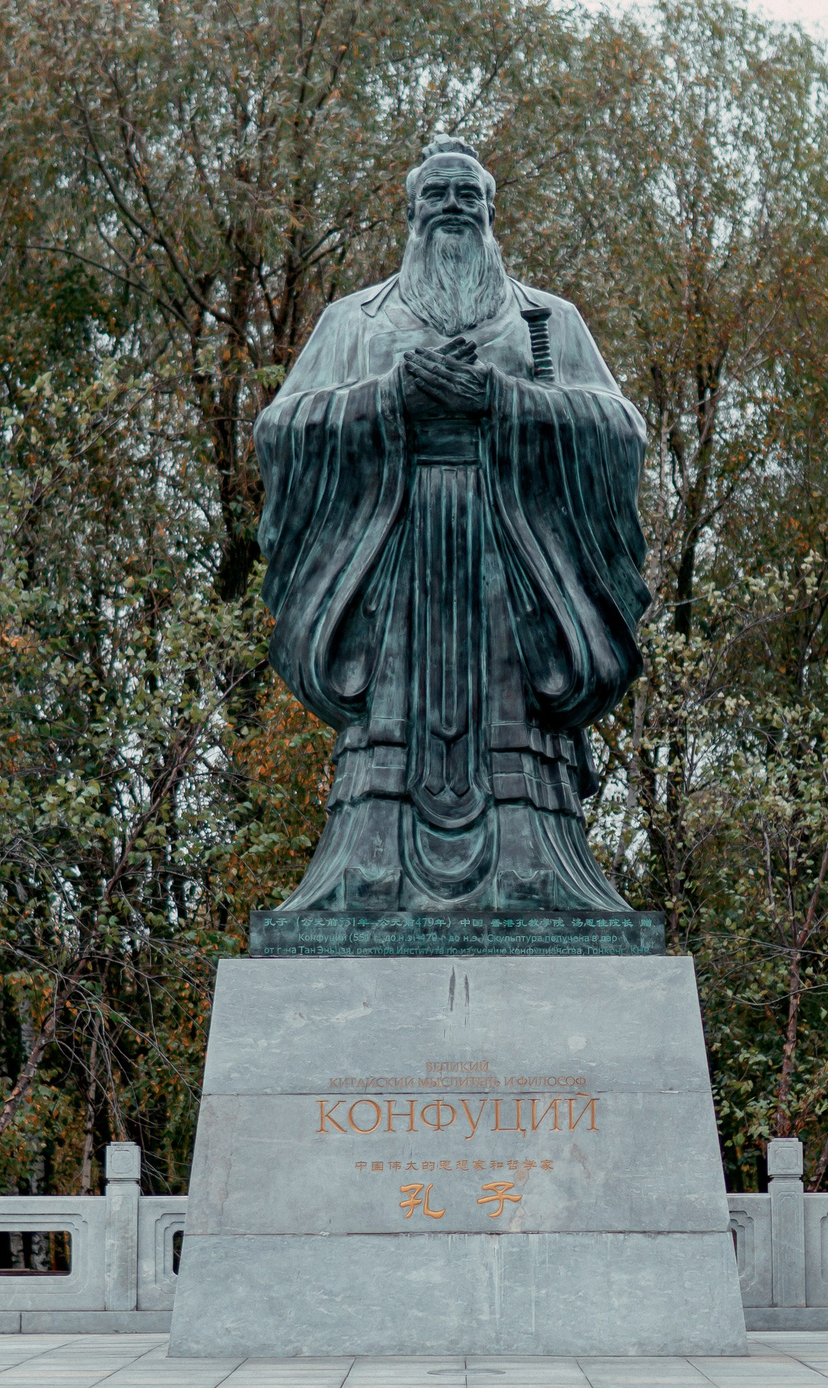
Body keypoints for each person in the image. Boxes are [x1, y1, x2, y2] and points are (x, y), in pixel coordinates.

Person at [256, 135, 650, 916]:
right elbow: (281, 429)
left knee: (519, 750)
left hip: (517, 571)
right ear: (410, 212)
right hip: (391, 567)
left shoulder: (548, 320)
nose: (452, 207)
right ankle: (369, 866)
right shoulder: (352, 321)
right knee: (387, 747)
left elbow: (620, 430)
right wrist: (389, 397)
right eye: (436, 194)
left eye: (468, 195)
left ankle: (534, 866)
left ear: (491, 212)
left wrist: (503, 400)